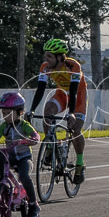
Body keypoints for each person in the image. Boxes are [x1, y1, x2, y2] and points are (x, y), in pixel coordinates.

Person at [25, 38, 88, 184]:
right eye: (45, 55)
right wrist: (32, 110)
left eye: (49, 56)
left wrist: (71, 113)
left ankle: (80, 163)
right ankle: (50, 146)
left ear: (60, 57)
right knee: (48, 110)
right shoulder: (45, 67)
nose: (45, 59)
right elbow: (40, 90)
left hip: (78, 96)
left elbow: (73, 92)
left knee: (75, 129)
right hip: (62, 93)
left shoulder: (73, 66)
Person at [0, 92, 41, 217]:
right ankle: (3, 180)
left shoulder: (24, 125)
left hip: (24, 157)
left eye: (8, 113)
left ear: (19, 112)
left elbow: (35, 135)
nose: (5, 117)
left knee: (24, 176)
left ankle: (34, 205)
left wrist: (32, 140)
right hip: (10, 157)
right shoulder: (4, 127)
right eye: (3, 113)